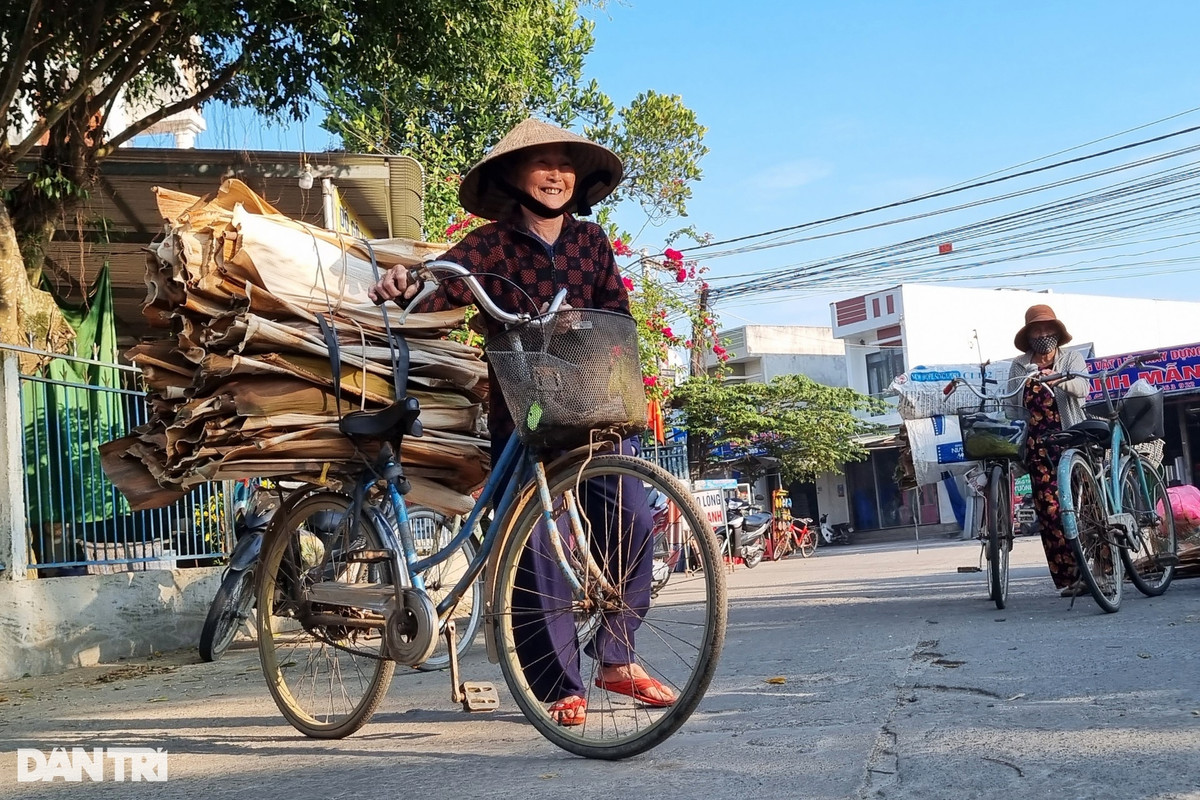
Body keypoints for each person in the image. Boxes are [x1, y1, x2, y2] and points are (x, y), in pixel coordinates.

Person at [368, 117, 674, 726]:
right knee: (535, 540)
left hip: (590, 409)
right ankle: (558, 683)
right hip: (524, 413)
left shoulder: (592, 243)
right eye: (541, 164)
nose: (556, 175)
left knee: (636, 515)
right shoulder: (488, 247)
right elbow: (434, 287)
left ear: (579, 180)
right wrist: (403, 282)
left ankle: (616, 657)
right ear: (512, 175)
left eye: (565, 164)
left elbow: (616, 314)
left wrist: (589, 333)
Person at [1007, 304, 1091, 597]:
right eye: (1036, 330)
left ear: (1056, 331)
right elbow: (1012, 405)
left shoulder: (1072, 357)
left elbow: (1083, 388)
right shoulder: (1019, 365)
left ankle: (1102, 571)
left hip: (1072, 438)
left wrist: (1060, 379)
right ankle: (1071, 578)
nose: (1043, 334)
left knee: (1088, 505)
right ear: (1029, 336)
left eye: (1047, 328)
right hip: (1039, 447)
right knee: (1051, 512)